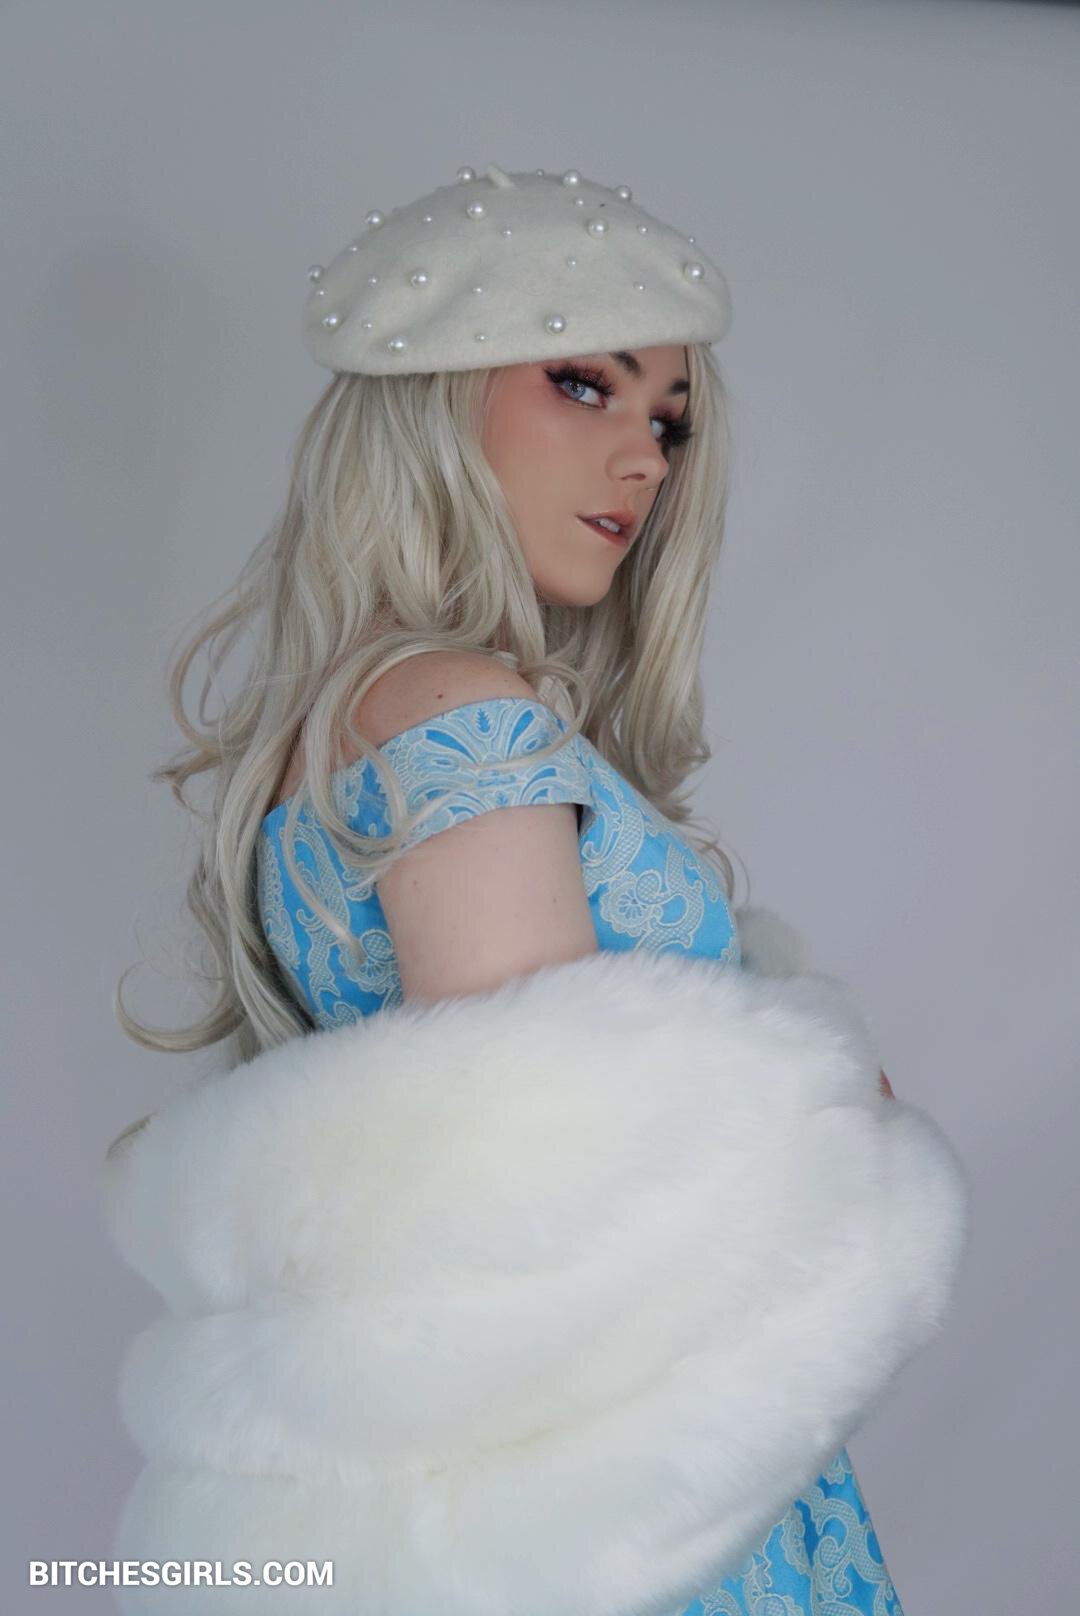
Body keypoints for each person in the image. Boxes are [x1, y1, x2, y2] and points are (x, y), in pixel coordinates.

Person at [100, 164, 967, 1615]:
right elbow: (555, 1216)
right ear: (431, 402)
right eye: (584, 385)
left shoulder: (368, 713)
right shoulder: (460, 715)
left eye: (669, 422)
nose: (644, 461)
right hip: (628, 1531)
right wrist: (831, 1119)